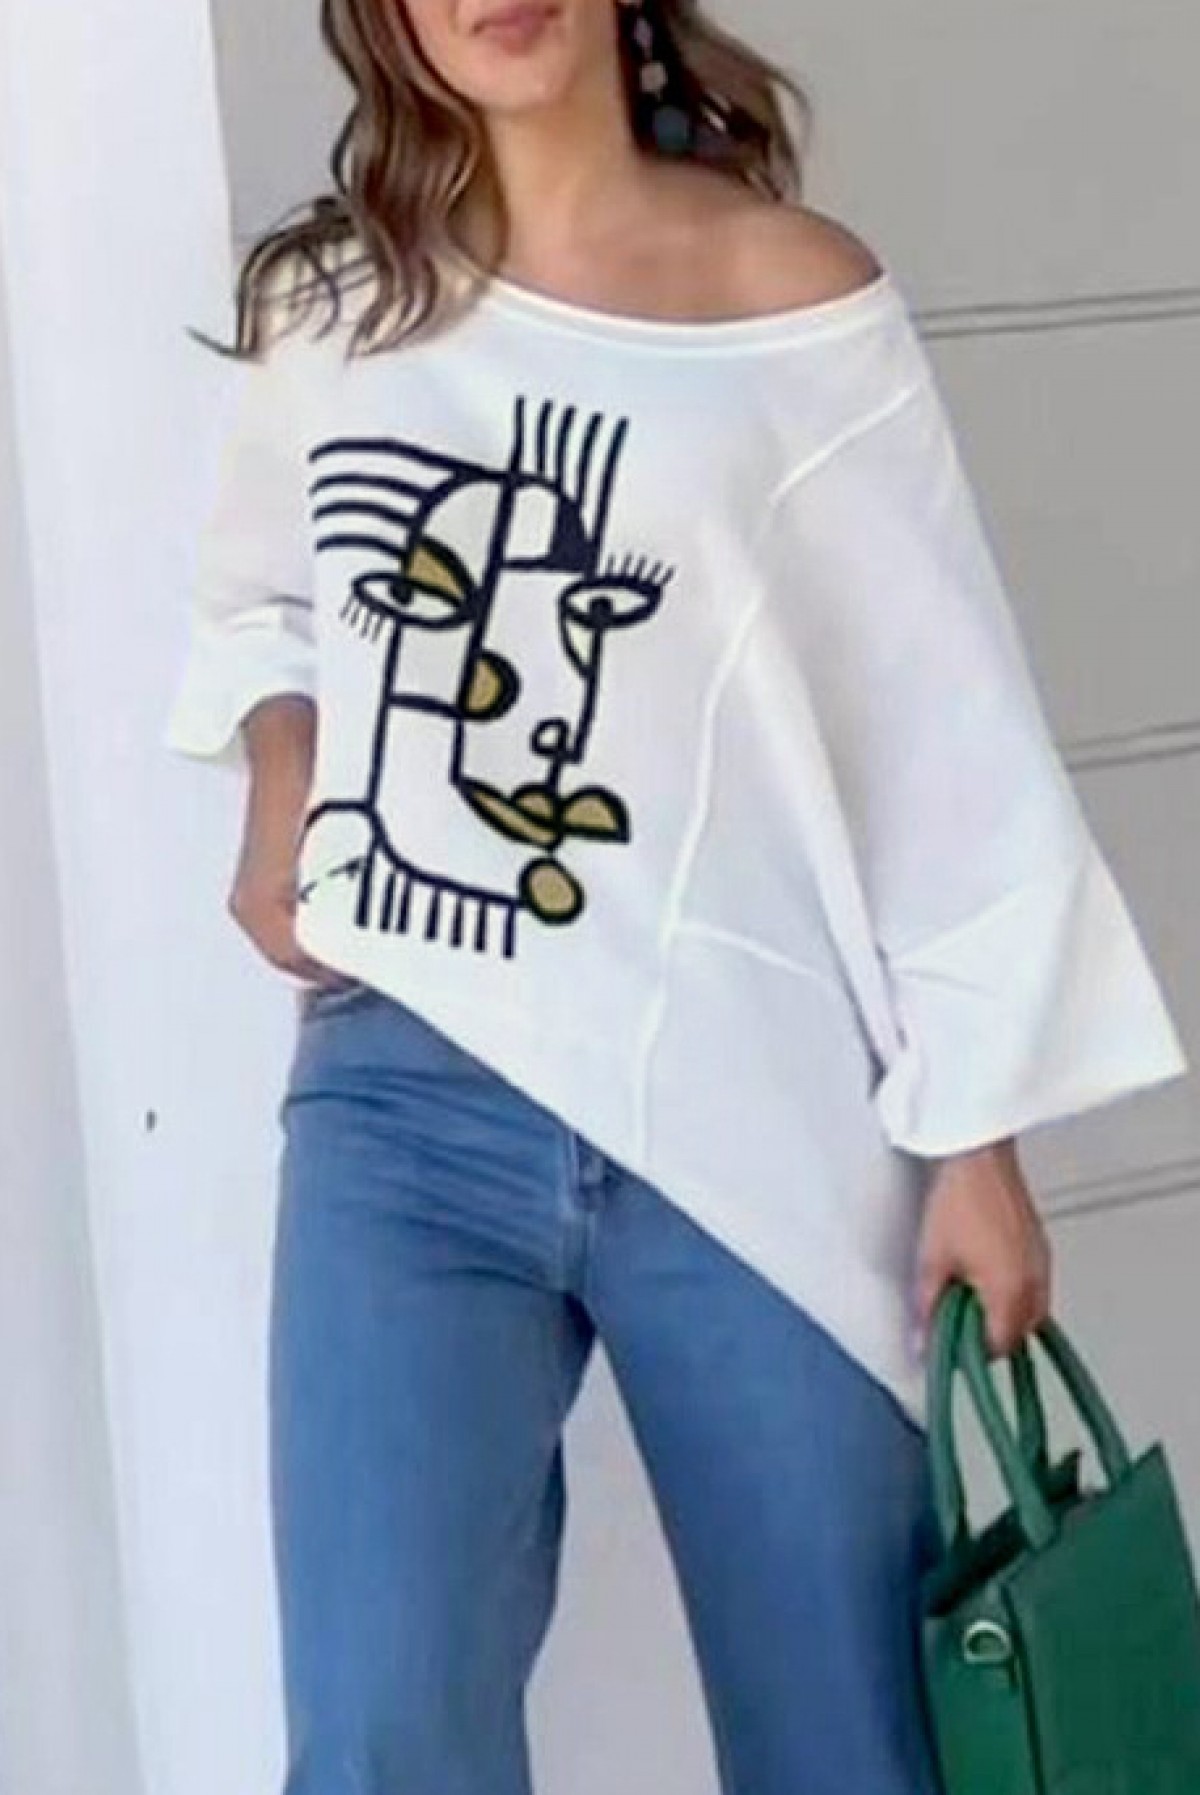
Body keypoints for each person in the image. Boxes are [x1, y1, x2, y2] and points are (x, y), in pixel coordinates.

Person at [163, 2, 1189, 1790]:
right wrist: (280, 771)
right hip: (411, 1095)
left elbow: (937, 732)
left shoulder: (791, 294)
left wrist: (977, 1136)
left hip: (754, 1099)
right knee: (383, 1732)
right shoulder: (331, 310)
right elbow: (265, 601)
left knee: (847, 1746)